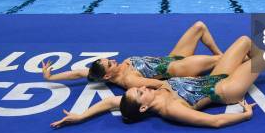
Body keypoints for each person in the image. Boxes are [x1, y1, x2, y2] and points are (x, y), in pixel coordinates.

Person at [50, 35, 265, 128]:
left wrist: (80, 116)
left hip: (217, 76)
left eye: (137, 89)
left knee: (244, 41)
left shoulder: (144, 97)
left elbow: (107, 103)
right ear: (143, 107)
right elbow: (214, 121)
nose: (140, 87)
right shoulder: (169, 109)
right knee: (262, 57)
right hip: (225, 89)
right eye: (139, 93)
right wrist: (244, 115)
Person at [42, 21, 224, 90]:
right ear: (107, 75)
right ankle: (239, 62)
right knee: (224, 59)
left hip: (173, 57)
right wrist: (189, 78)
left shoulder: (100, 73)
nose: (114, 60)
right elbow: (161, 84)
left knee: (199, 26)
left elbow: (78, 73)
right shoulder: (129, 80)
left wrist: (50, 76)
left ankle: (222, 58)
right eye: (110, 64)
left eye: (109, 60)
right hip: (178, 68)